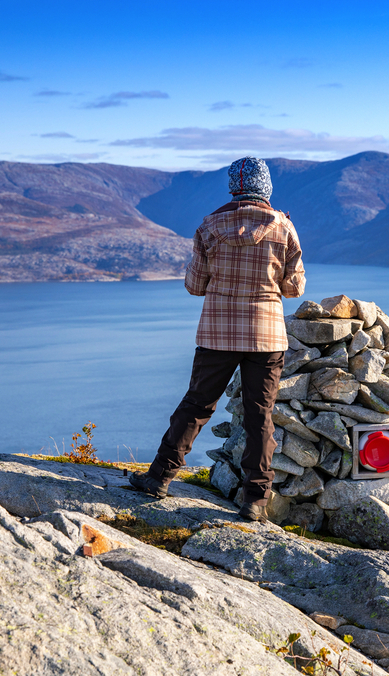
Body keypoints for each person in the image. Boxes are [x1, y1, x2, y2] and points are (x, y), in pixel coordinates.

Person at [129, 156, 305, 521]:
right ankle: (255, 500)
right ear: (266, 187)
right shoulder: (284, 227)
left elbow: (195, 286)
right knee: (260, 416)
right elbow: (294, 287)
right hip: (266, 336)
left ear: (233, 186)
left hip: (217, 333)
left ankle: (159, 478)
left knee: (197, 405)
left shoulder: (209, 226)